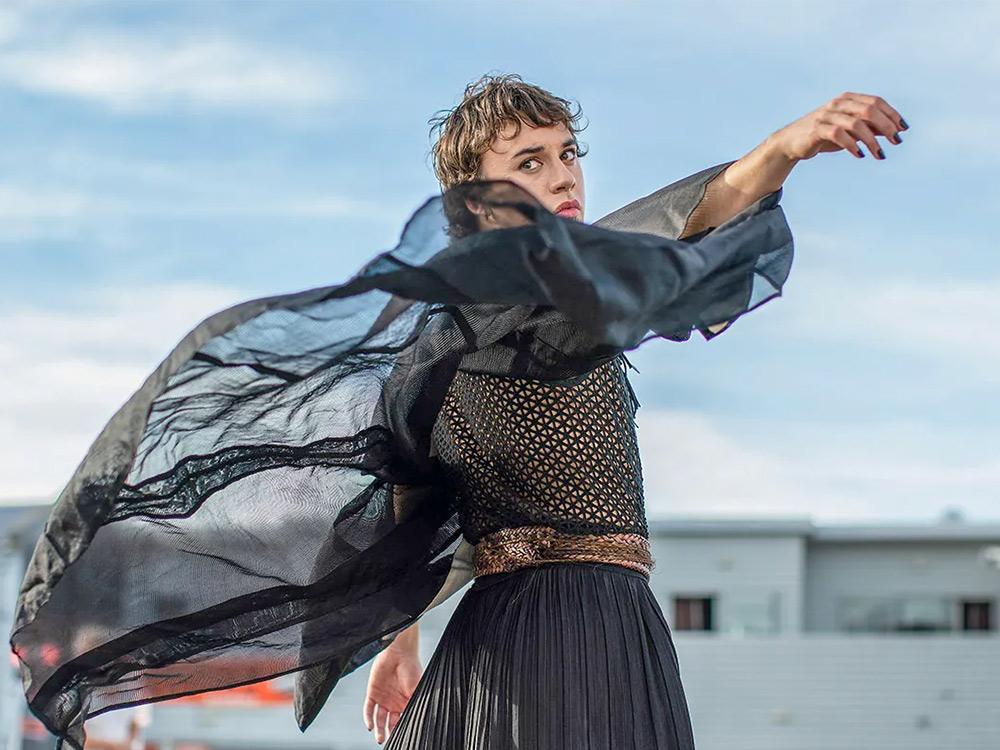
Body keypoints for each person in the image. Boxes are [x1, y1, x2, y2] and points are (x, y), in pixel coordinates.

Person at [8, 73, 904, 750]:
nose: (563, 176)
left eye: (566, 154)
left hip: (612, 617)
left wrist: (401, 642)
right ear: (477, 199)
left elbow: (430, 508)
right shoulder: (488, 314)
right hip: (551, 629)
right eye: (529, 161)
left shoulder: (553, 305)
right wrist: (784, 146)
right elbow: (675, 222)